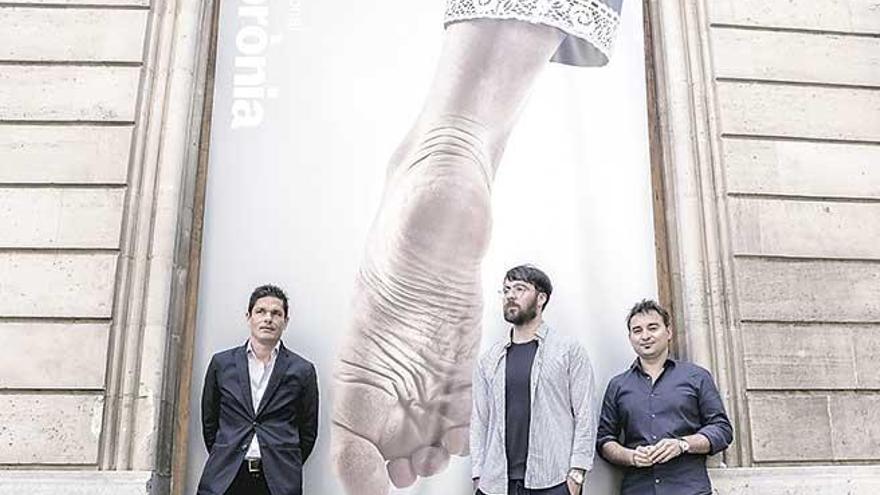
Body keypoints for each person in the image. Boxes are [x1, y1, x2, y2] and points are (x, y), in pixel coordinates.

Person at [331, 2, 623, 494]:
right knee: (468, 135)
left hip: (542, 478)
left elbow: (577, 412)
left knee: (466, 130)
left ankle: (453, 142)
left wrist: (570, 474)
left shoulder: (563, 354)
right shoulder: (496, 359)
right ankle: (455, 146)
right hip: (514, 479)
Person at [471, 265, 596, 495]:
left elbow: (585, 414)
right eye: (506, 289)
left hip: (553, 480)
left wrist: (576, 474)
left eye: (520, 289)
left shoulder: (567, 351)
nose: (510, 295)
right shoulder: (489, 360)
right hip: (497, 483)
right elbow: (480, 420)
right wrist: (478, 475)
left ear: (541, 298)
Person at [596, 299, 733, 495]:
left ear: (668, 332)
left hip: (689, 490)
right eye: (637, 330)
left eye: (652, 328)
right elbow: (604, 440)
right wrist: (631, 456)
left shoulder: (696, 376)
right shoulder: (618, 385)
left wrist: (682, 445)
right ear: (630, 337)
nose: (645, 336)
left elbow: (722, 429)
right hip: (638, 489)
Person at [197, 284, 319, 495]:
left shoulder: (302, 370)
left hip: (278, 480)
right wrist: (228, 451)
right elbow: (210, 421)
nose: (268, 318)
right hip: (226, 477)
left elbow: (308, 431)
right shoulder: (222, 364)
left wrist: (284, 459)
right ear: (249, 316)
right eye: (260, 311)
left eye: (276, 313)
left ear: (285, 321)